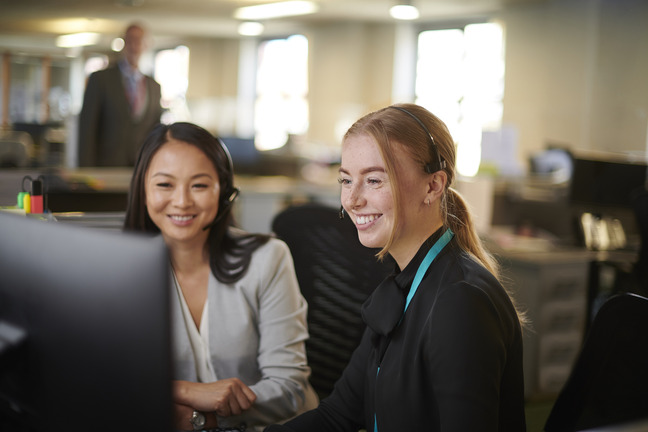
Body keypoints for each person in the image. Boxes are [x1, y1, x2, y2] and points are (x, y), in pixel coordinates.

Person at [265, 103, 527, 432]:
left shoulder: (460, 302)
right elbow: (337, 416)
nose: (352, 200)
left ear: (433, 186)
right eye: (346, 181)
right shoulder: (402, 285)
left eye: (374, 181)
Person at [123, 122, 319, 431]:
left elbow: (289, 388)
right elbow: (114, 381)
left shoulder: (267, 258)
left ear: (224, 192)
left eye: (199, 185)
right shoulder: (123, 274)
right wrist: (187, 390)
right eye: (165, 185)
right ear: (143, 189)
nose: (182, 201)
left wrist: (203, 418)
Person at [78, 22, 162, 167]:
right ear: (123, 43)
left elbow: (156, 132)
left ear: (146, 45)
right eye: (130, 40)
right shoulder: (100, 79)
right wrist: (86, 170)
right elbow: (87, 128)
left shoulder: (154, 87)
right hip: (106, 167)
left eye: (139, 41)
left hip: (141, 167)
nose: (134, 46)